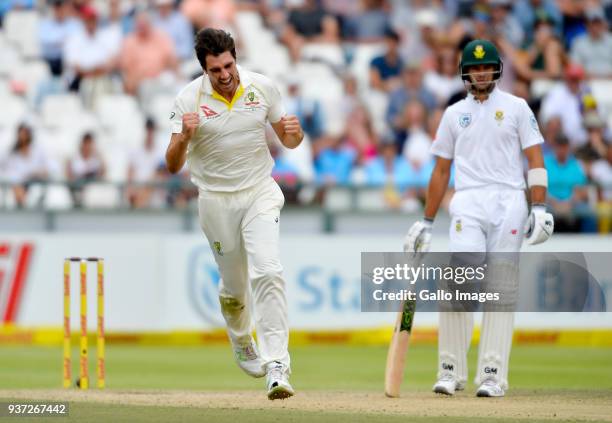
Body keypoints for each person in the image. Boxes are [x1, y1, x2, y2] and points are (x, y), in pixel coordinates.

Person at [403, 40, 554, 398]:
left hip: (508, 201)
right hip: (468, 201)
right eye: (475, 67)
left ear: (497, 69)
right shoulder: (454, 113)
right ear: (466, 72)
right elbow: (441, 171)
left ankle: (492, 374)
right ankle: (450, 370)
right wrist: (426, 221)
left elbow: (535, 159)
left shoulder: (517, 107)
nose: (481, 72)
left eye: (486, 67)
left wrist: (540, 207)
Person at [165, 28, 303, 400]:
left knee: (268, 270)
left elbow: (289, 139)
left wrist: (295, 134)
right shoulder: (188, 99)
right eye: (215, 70)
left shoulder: (262, 88)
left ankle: (277, 365)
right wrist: (182, 138)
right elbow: (173, 165)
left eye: (228, 65)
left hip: (260, 190)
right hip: (215, 200)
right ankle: (242, 339)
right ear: (204, 70)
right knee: (234, 288)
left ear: (235, 57)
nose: (225, 75)